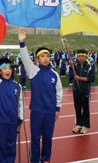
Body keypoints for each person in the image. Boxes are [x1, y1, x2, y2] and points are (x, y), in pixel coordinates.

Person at [18, 28, 63, 163]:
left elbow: (59, 91)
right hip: (37, 111)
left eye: (47, 56)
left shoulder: (54, 74)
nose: (45, 58)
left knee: (48, 137)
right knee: (35, 137)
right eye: (43, 56)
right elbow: (25, 59)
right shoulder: (33, 71)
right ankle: (34, 159)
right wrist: (22, 43)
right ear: (37, 59)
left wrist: (57, 108)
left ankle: (46, 158)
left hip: (50, 111)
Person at [0, 38, 24, 163]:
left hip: (13, 121)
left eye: (9, 68)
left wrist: (20, 118)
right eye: (4, 69)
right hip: (1, 121)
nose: (8, 71)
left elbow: (21, 103)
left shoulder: (17, 85)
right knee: (1, 145)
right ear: (0, 72)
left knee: (11, 146)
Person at [70, 49, 95, 134]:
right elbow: (70, 74)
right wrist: (71, 66)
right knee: (77, 108)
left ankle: (85, 125)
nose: (80, 58)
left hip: (85, 90)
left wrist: (79, 78)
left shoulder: (90, 66)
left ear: (86, 57)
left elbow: (90, 79)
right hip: (76, 89)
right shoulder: (75, 66)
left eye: (82, 56)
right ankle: (79, 124)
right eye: (79, 56)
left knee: (85, 108)